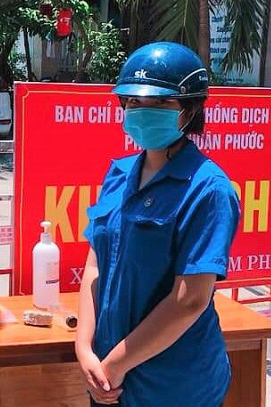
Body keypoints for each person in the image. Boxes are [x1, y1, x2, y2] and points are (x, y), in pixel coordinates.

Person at [75, 42, 241, 407]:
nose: (142, 110)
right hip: (108, 378)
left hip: (173, 385)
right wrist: (84, 347)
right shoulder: (119, 174)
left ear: (190, 108)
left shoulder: (208, 189)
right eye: (133, 102)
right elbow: (96, 263)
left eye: (160, 102)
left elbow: (190, 300)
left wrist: (116, 365)